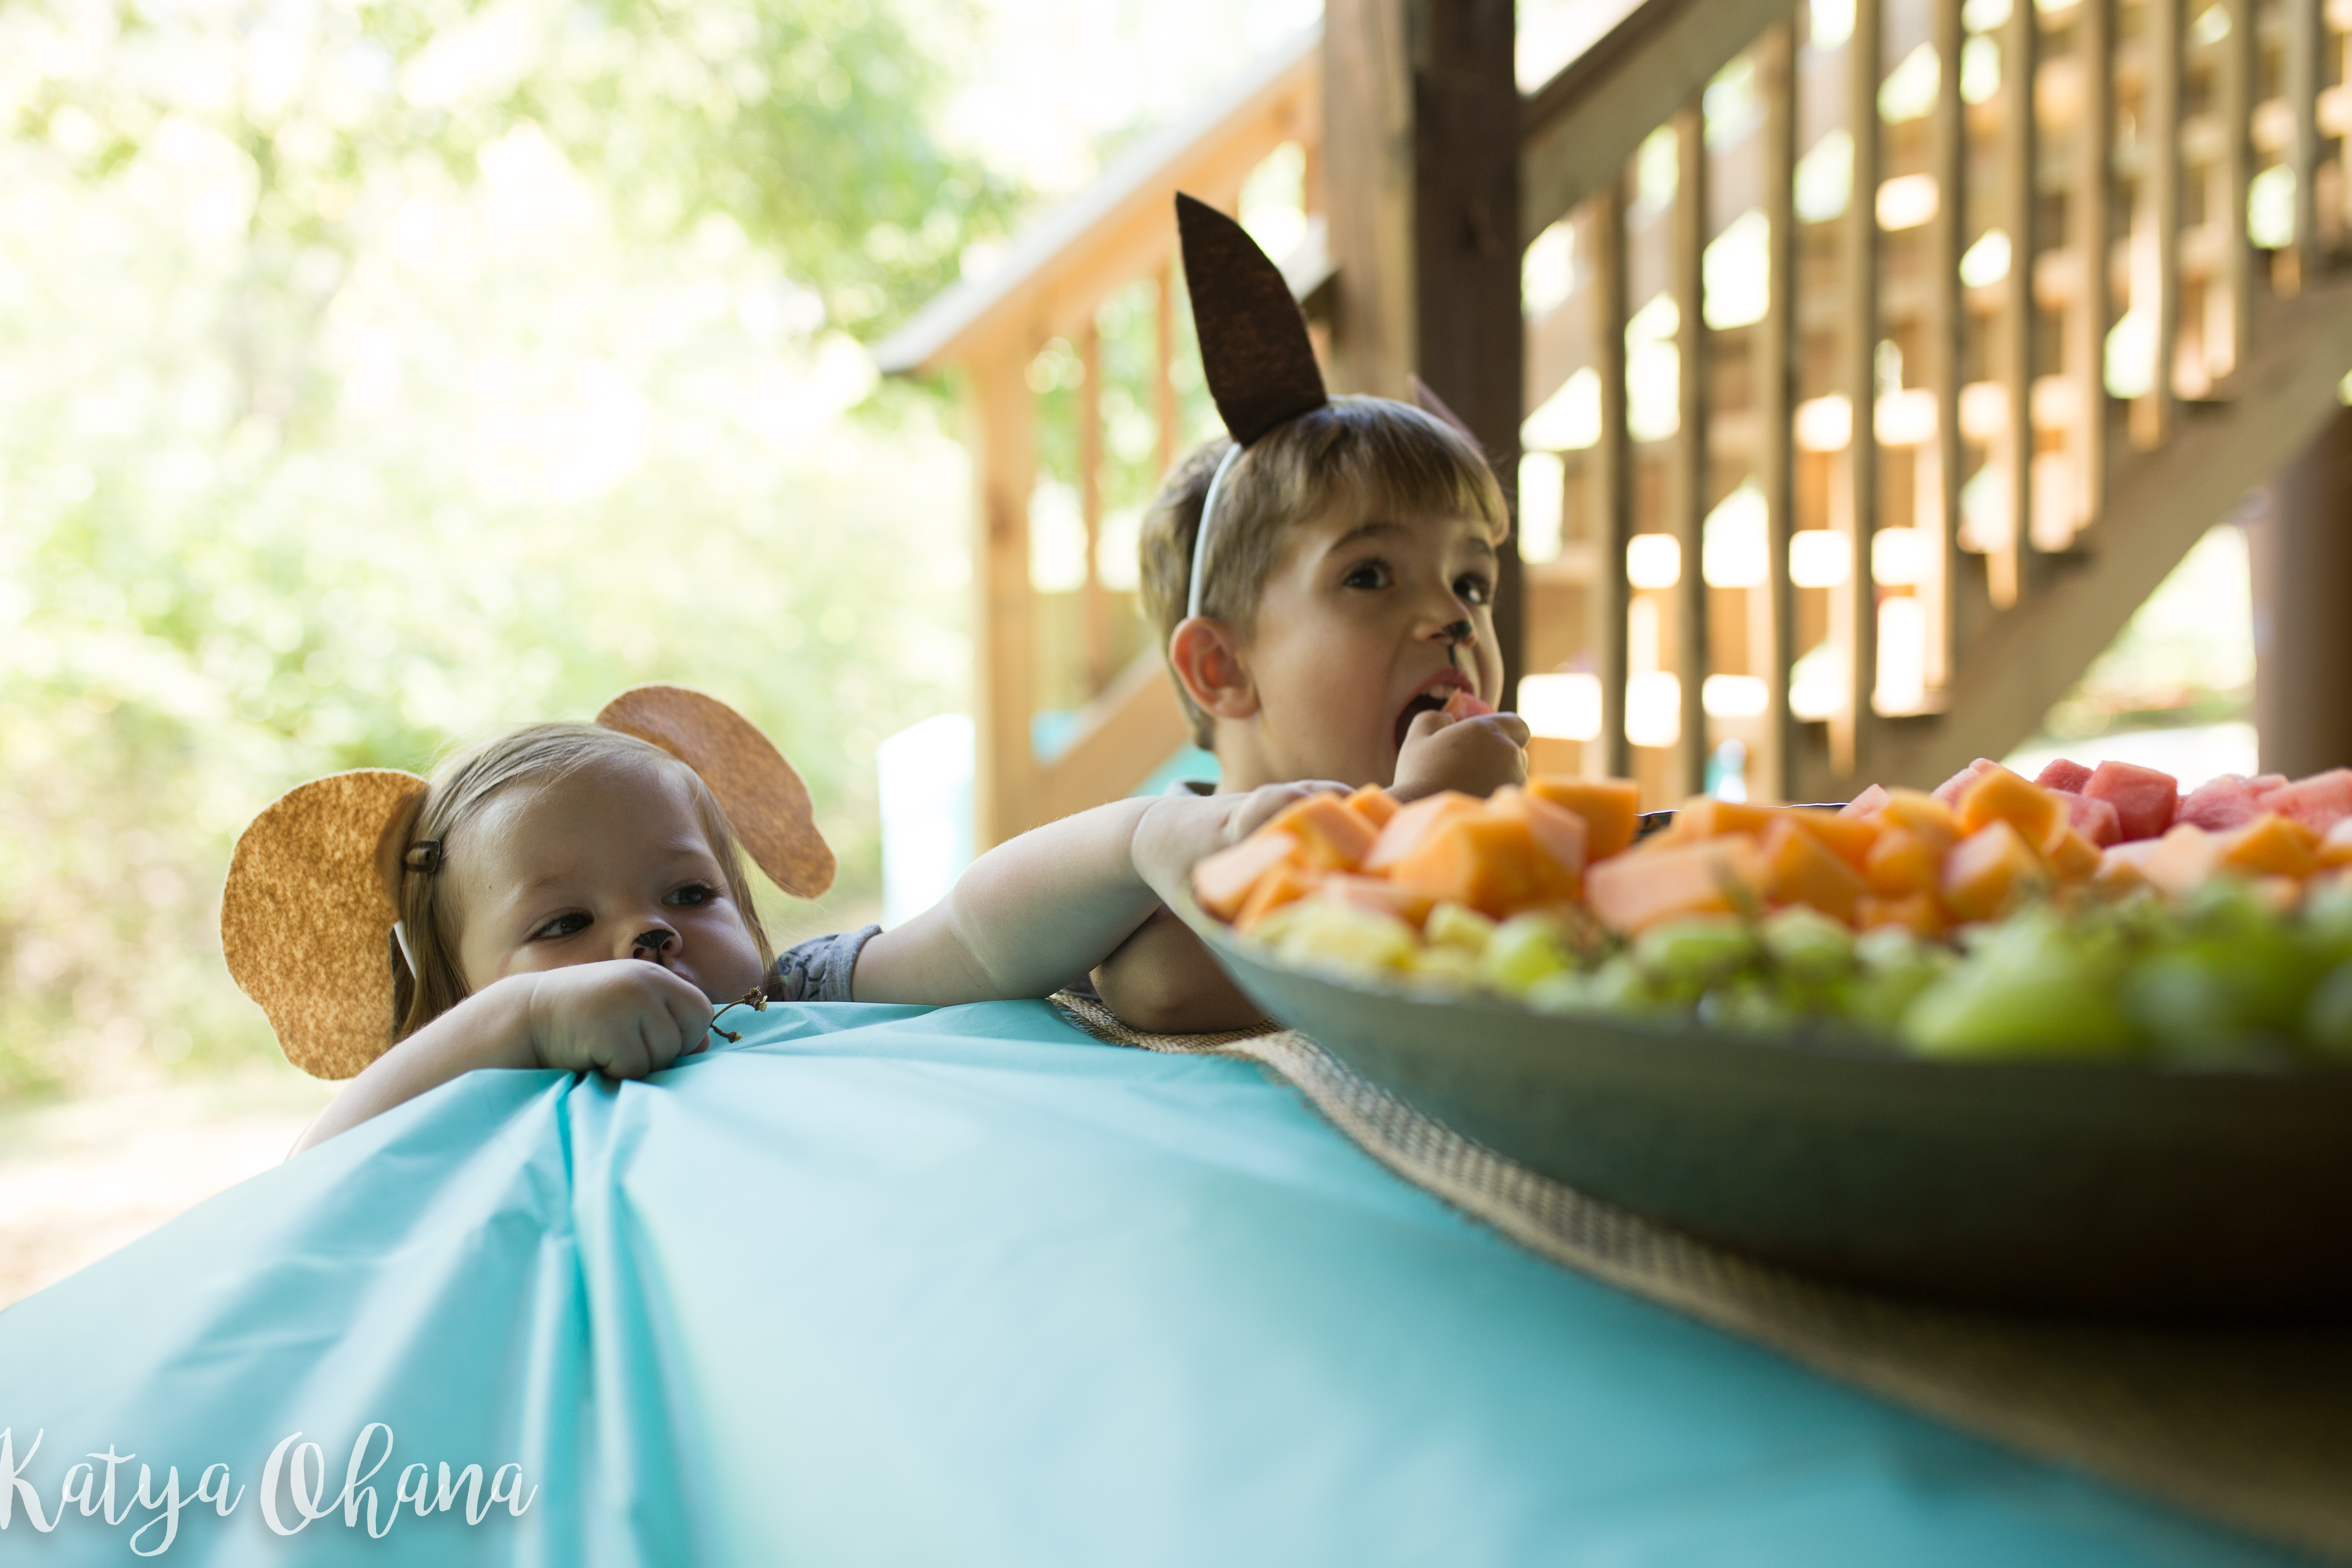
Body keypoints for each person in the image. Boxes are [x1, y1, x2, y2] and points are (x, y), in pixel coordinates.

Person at [286, 719, 1329, 1153]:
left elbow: (975, 934)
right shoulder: (472, 1072)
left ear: (749, 916)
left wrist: (1138, 837)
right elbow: (325, 1169)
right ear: (461, 997)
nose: (643, 933)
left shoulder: (794, 995)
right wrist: (521, 1021)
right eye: (564, 924)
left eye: (689, 895)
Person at [1087, 196, 1532, 1032]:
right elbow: (1165, 982)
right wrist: (1415, 829)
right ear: (1224, 669)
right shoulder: (1188, 846)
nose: (1454, 617)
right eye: (1369, 576)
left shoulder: (1476, 816)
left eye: (1472, 583)